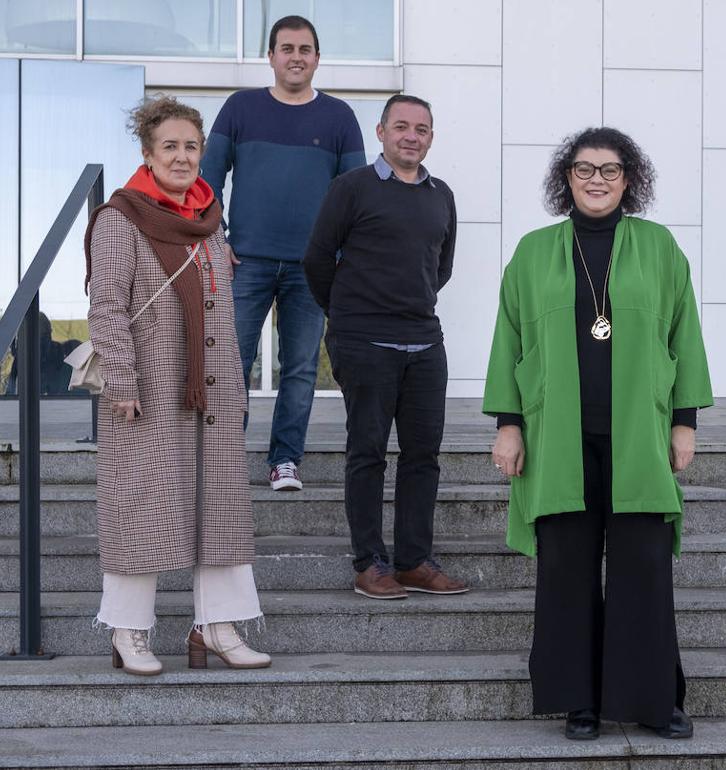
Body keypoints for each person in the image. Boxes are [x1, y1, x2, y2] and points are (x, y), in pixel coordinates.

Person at [483, 127, 712, 741]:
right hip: (556, 431)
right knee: (566, 568)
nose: (597, 180)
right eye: (585, 169)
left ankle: (653, 698)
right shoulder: (533, 251)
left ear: (629, 179)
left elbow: (684, 335)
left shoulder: (660, 247)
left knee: (643, 565)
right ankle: (578, 699)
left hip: (641, 428)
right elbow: (509, 338)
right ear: (567, 178)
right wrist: (508, 424)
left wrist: (685, 422)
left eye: (610, 171)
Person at [86, 96, 270, 675]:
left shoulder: (209, 220)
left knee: (219, 509)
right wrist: (120, 381)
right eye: (170, 146)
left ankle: (217, 627)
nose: (183, 156)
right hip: (144, 391)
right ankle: (128, 633)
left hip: (210, 392)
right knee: (141, 508)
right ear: (147, 153)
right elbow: (107, 307)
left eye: (192, 146)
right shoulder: (120, 218)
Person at [305, 95, 466, 600]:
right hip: (363, 341)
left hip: (424, 343)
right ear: (381, 132)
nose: (411, 136)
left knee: (423, 455)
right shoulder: (351, 188)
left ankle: (414, 561)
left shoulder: (441, 195)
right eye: (401, 127)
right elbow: (316, 260)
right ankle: (370, 563)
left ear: (431, 138)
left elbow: (441, 268)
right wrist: (349, 314)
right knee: (367, 453)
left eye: (421, 129)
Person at [201, 14, 365, 492]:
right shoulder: (239, 108)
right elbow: (209, 179)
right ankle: (225, 457)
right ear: (270, 56)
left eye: (305, 49)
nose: (296, 57)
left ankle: (285, 461)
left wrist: (339, 253)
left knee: (300, 368)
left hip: (310, 268)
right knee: (233, 363)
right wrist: (217, 237)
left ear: (317, 58)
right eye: (287, 48)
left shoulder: (339, 118)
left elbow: (352, 194)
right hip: (245, 261)